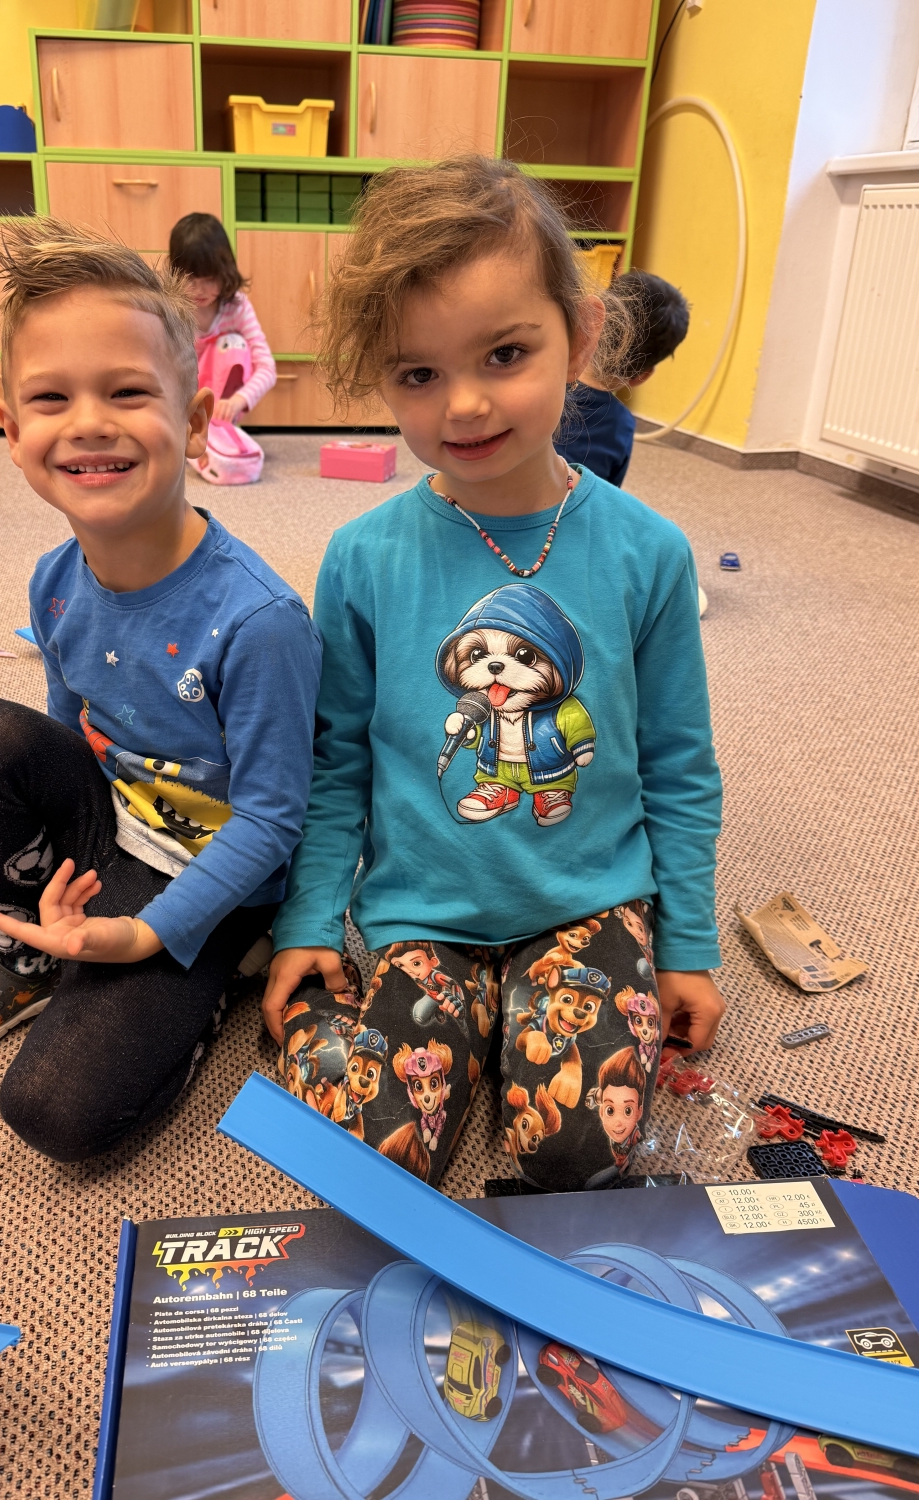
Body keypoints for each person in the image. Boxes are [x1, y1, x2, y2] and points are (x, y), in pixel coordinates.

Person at [261, 156, 724, 1194]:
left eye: (505, 354)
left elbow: (678, 765)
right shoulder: (362, 558)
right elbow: (337, 762)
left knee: (576, 1150)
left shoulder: (648, 552)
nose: (464, 405)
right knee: (371, 1153)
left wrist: (687, 946)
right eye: (417, 374)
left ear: (582, 335)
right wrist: (308, 923)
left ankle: (526, 1020)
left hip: (589, 902)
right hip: (422, 913)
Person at [0, 218, 321, 1163]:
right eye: (51, 398)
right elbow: (65, 730)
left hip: (219, 876)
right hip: (115, 823)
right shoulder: (52, 578)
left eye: (127, 392)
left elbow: (273, 821)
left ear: (195, 419)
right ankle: (31, 955)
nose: (87, 422)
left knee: (55, 1112)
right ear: (10, 431)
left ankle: (215, 978)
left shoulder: (260, 622)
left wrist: (146, 936)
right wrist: (64, 887)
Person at [555, 269, 689, 489]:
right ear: (642, 377)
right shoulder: (621, 426)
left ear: (586, 324)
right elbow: (608, 494)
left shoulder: (539, 383)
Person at [168, 212, 277, 423]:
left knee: (233, 344)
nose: (199, 290)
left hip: (220, 411)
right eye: (190, 280)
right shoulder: (172, 310)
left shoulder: (237, 308)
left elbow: (267, 367)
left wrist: (236, 401)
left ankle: (217, 426)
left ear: (224, 272)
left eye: (209, 280)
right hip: (181, 408)